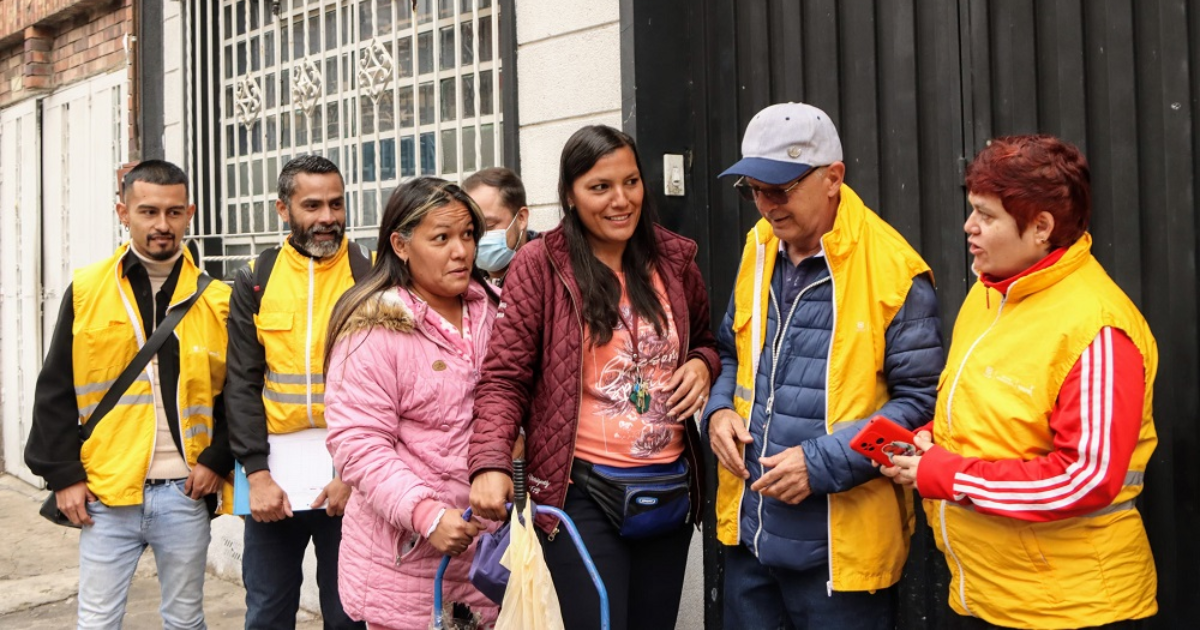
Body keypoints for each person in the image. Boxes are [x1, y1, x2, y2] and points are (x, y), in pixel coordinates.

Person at [881, 135, 1159, 629]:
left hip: (1071, 610)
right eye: (972, 211)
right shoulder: (989, 295)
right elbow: (987, 418)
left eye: (986, 216)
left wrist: (945, 474)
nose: (969, 227)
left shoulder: (1098, 330)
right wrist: (930, 442)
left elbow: (1086, 478)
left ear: (1041, 227)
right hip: (986, 596)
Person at [468, 125, 721, 630]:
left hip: (667, 492)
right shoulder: (541, 265)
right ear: (570, 194)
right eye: (600, 187)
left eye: (630, 182)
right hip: (580, 494)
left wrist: (702, 364)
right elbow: (504, 378)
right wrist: (489, 462)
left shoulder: (674, 260)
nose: (620, 200)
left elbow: (708, 342)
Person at [703, 102, 944, 629]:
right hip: (752, 540)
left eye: (780, 189)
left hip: (841, 561)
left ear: (833, 178)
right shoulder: (759, 247)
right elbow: (730, 352)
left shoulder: (895, 272)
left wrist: (820, 463)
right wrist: (718, 412)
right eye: (752, 190)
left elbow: (922, 407)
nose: (765, 205)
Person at [24, 160, 233, 629]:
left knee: (185, 620)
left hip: (184, 491)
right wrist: (63, 476)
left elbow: (236, 394)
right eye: (148, 211)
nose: (163, 225)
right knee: (98, 621)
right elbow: (55, 388)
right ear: (123, 212)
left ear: (190, 213)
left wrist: (217, 459)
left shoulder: (217, 298)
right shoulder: (88, 289)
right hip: (105, 493)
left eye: (175, 212)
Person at [324, 178, 500, 629]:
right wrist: (426, 514)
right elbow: (359, 444)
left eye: (467, 235)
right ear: (400, 245)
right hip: (407, 565)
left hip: (491, 558)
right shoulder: (374, 328)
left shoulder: (495, 311)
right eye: (441, 238)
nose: (460, 251)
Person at [225, 155, 367, 629]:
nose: (327, 217)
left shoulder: (369, 277)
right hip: (274, 482)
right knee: (267, 611)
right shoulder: (255, 279)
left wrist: (355, 475)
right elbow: (241, 385)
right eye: (312, 205)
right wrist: (257, 474)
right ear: (282, 209)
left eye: (336, 204)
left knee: (348, 614)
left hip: (349, 478)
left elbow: (387, 390)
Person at [462, 166, 536, 286]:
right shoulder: (463, 281)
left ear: (521, 218)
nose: (478, 237)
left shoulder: (548, 274)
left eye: (489, 226)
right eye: (469, 230)